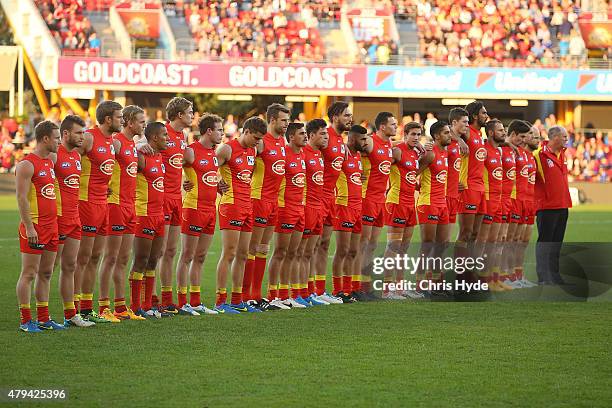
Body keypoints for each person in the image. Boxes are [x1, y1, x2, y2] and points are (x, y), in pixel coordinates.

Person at [75, 100, 123, 323]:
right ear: (107, 119)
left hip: (102, 204)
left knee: (95, 257)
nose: (121, 120)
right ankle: (72, 310)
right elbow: (66, 157)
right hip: (86, 205)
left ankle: (86, 308)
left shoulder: (112, 142)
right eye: (119, 117)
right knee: (82, 258)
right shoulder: (89, 137)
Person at [16, 120, 65, 332]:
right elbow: (21, 199)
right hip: (34, 227)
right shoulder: (27, 164)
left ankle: (44, 318)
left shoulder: (50, 160)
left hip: (51, 226)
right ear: (45, 139)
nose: (59, 142)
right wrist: (29, 227)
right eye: (56, 138)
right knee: (28, 273)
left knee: (46, 273)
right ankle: (26, 320)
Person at [214, 117, 267, 313]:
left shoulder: (253, 150)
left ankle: (237, 300)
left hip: (247, 205)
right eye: (255, 137)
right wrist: (217, 182)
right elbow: (209, 167)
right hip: (231, 205)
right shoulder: (226, 149)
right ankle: (220, 301)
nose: (258, 141)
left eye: (261, 138)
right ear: (245, 131)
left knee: (244, 254)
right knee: (229, 253)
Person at [99, 105, 147, 321]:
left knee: (123, 258)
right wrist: (103, 185)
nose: (143, 124)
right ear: (129, 122)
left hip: (130, 206)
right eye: (140, 121)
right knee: (110, 258)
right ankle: (103, 307)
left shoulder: (132, 145)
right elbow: (101, 163)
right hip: (116, 205)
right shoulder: (116, 142)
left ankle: (120, 306)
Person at [175, 113, 224, 316]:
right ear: (209, 131)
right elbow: (170, 168)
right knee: (187, 255)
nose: (222, 133)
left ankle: (195, 302)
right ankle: (181, 302)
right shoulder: (190, 151)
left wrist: (219, 185)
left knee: (201, 256)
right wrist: (183, 183)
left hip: (210, 209)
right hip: (193, 208)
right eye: (219, 130)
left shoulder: (214, 153)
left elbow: (208, 176)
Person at [244, 103, 290, 310]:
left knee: (263, 248)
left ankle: (257, 294)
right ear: (272, 120)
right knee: (252, 248)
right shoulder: (261, 143)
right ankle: (245, 296)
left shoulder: (283, 142)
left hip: (274, 203)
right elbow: (242, 162)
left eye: (288, 120)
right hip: (259, 199)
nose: (287, 124)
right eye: (283, 120)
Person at [52, 115, 94, 327]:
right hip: (57, 219)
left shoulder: (77, 156)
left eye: (84, 132)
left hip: (74, 218)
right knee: (46, 270)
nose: (82, 136)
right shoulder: (54, 155)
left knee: (70, 266)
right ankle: (39, 316)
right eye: (79, 133)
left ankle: (71, 314)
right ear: (65, 134)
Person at [268, 122, 313, 308]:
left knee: (293, 253)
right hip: (285, 209)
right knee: (280, 252)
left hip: (299, 209)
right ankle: (273, 295)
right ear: (292, 137)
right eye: (302, 134)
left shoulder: (302, 154)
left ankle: (286, 295)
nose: (305, 136)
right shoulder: (283, 154)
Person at [297, 119, 341, 304]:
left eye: (327, 134)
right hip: (308, 206)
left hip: (325, 202)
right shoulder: (303, 153)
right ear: (312, 135)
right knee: (303, 251)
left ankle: (316, 290)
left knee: (321, 246)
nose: (326, 138)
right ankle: (300, 292)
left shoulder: (320, 154)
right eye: (323, 134)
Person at [129, 122, 169, 319]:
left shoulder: (160, 156)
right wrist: (137, 146)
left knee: (153, 260)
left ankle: (147, 305)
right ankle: (135, 305)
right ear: (154, 138)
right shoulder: (141, 157)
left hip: (159, 215)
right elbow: (122, 159)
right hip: (143, 215)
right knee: (141, 260)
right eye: (164, 135)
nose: (167, 138)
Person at [158, 97, 193, 312]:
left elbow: (179, 162)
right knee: (158, 252)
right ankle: (152, 300)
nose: (193, 115)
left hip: (176, 197)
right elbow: (142, 152)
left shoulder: (182, 136)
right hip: (159, 199)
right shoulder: (160, 132)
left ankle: (167, 299)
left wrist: (185, 180)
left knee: (171, 250)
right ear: (179, 115)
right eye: (190, 111)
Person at [315, 102, 352, 301]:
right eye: (346, 115)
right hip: (316, 197)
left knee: (324, 244)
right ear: (336, 117)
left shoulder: (339, 140)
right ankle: (306, 290)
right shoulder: (324, 136)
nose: (350, 119)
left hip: (331, 198)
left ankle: (320, 291)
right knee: (310, 246)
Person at [382, 122, 423, 300]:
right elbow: (383, 161)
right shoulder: (397, 150)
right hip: (396, 202)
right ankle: (386, 289)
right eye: (412, 134)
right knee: (393, 246)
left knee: (404, 248)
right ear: (405, 134)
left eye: (418, 134)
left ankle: (399, 287)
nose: (415, 137)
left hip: (409, 203)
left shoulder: (414, 154)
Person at [331, 125, 370, 303]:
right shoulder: (343, 153)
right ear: (353, 139)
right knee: (342, 250)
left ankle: (351, 289)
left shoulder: (357, 156)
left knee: (354, 250)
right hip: (343, 207)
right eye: (362, 139)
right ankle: (338, 290)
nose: (365, 142)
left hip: (357, 207)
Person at [359, 112, 395, 301]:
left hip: (381, 200)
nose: (396, 127)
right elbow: (353, 149)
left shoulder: (389, 144)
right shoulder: (370, 142)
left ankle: (366, 286)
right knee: (363, 245)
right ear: (382, 126)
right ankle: (356, 287)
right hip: (367, 199)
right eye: (393, 124)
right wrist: (358, 171)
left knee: (372, 245)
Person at [416, 121, 452, 294]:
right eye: (446, 133)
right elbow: (413, 173)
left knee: (442, 244)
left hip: (442, 203)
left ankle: (437, 283)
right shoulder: (430, 154)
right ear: (437, 136)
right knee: (427, 245)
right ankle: (420, 284)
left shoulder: (445, 153)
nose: (449, 136)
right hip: (428, 203)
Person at [534, 126, 571, 285]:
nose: (566, 139)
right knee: (545, 242)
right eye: (564, 136)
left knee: (557, 243)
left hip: (563, 205)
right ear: (554, 137)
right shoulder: (538, 155)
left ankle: (555, 276)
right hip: (546, 207)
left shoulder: (562, 154)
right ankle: (543, 277)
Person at [475, 119, 509, 291]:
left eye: (504, 130)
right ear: (490, 133)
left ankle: (491, 279)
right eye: (501, 130)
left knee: (495, 241)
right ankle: (477, 279)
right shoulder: (484, 150)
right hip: (488, 200)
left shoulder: (499, 151)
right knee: (483, 241)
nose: (504, 132)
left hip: (499, 200)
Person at [457, 101, 489, 258]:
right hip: (468, 188)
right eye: (483, 113)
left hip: (480, 188)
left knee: (475, 234)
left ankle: (469, 271)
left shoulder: (480, 134)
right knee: (465, 233)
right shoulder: (467, 131)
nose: (486, 116)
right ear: (475, 116)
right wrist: (460, 140)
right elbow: (449, 130)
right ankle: (460, 273)